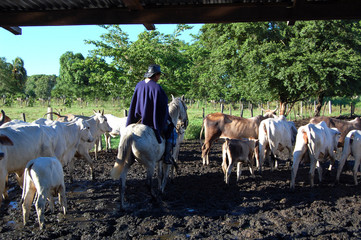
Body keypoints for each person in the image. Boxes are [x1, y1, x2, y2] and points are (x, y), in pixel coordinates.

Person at [126, 64, 176, 164]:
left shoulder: (139, 85)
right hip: (151, 120)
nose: (159, 77)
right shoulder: (157, 88)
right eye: (159, 75)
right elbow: (163, 107)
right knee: (173, 133)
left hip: (137, 118)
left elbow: (135, 102)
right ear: (156, 75)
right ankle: (166, 156)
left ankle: (129, 155)